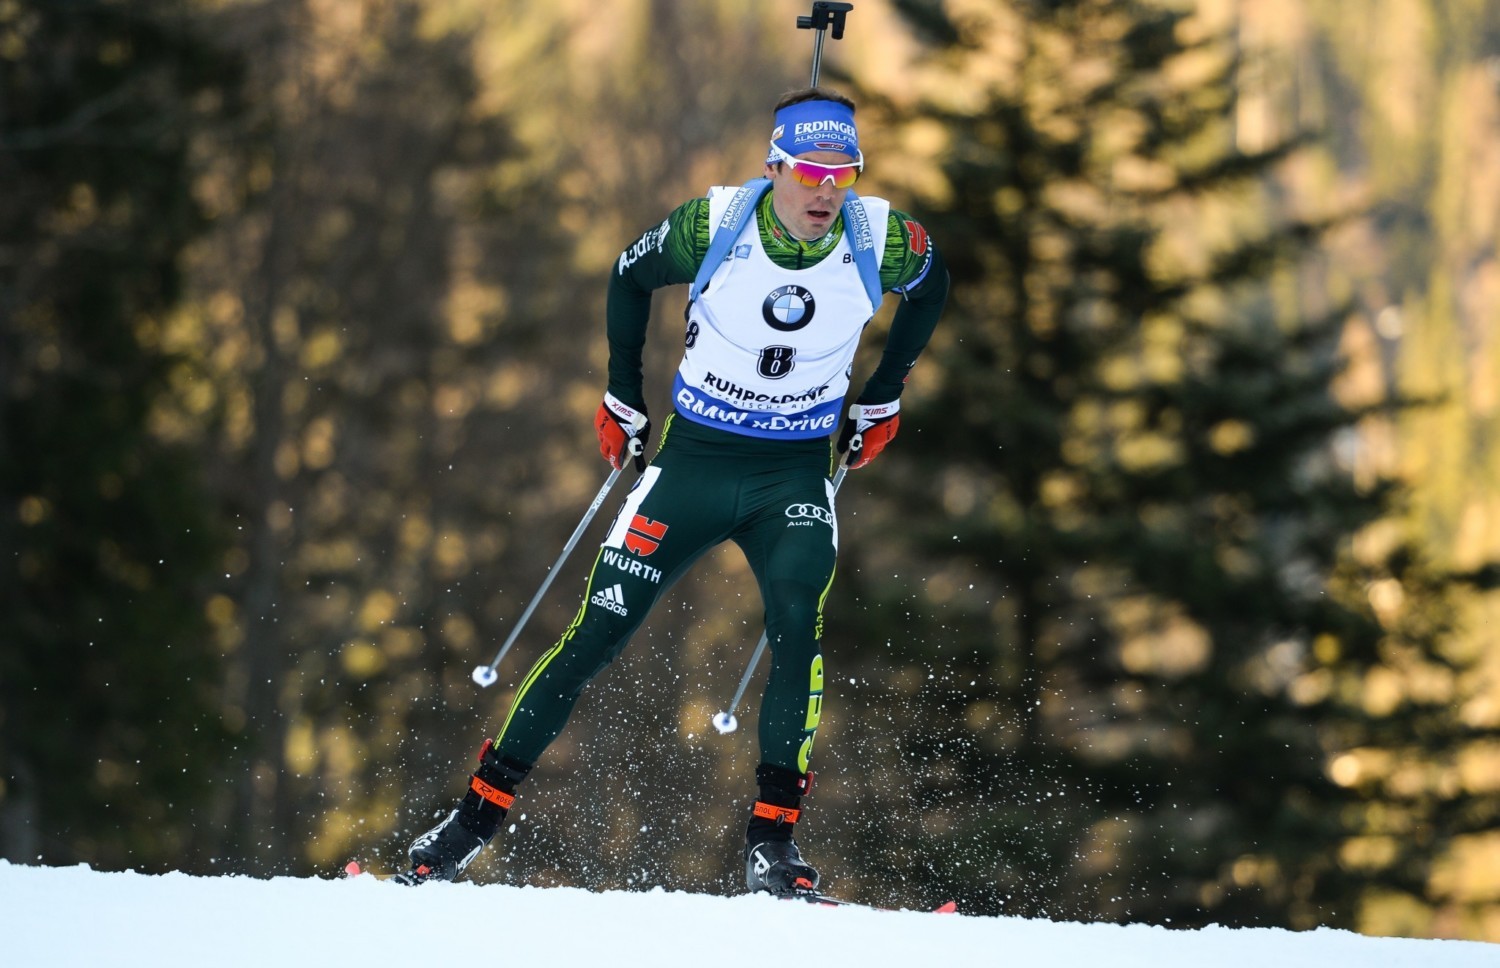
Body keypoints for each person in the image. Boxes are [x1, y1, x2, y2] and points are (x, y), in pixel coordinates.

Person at [397, 87, 949, 893]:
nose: (825, 190)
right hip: (691, 465)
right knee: (596, 634)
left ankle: (774, 846)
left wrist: (886, 391)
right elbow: (628, 274)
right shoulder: (715, 223)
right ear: (774, 167)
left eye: (842, 172)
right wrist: (624, 393)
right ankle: (467, 825)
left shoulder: (882, 237)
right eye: (808, 171)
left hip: (790, 475)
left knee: (799, 619)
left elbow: (933, 288)